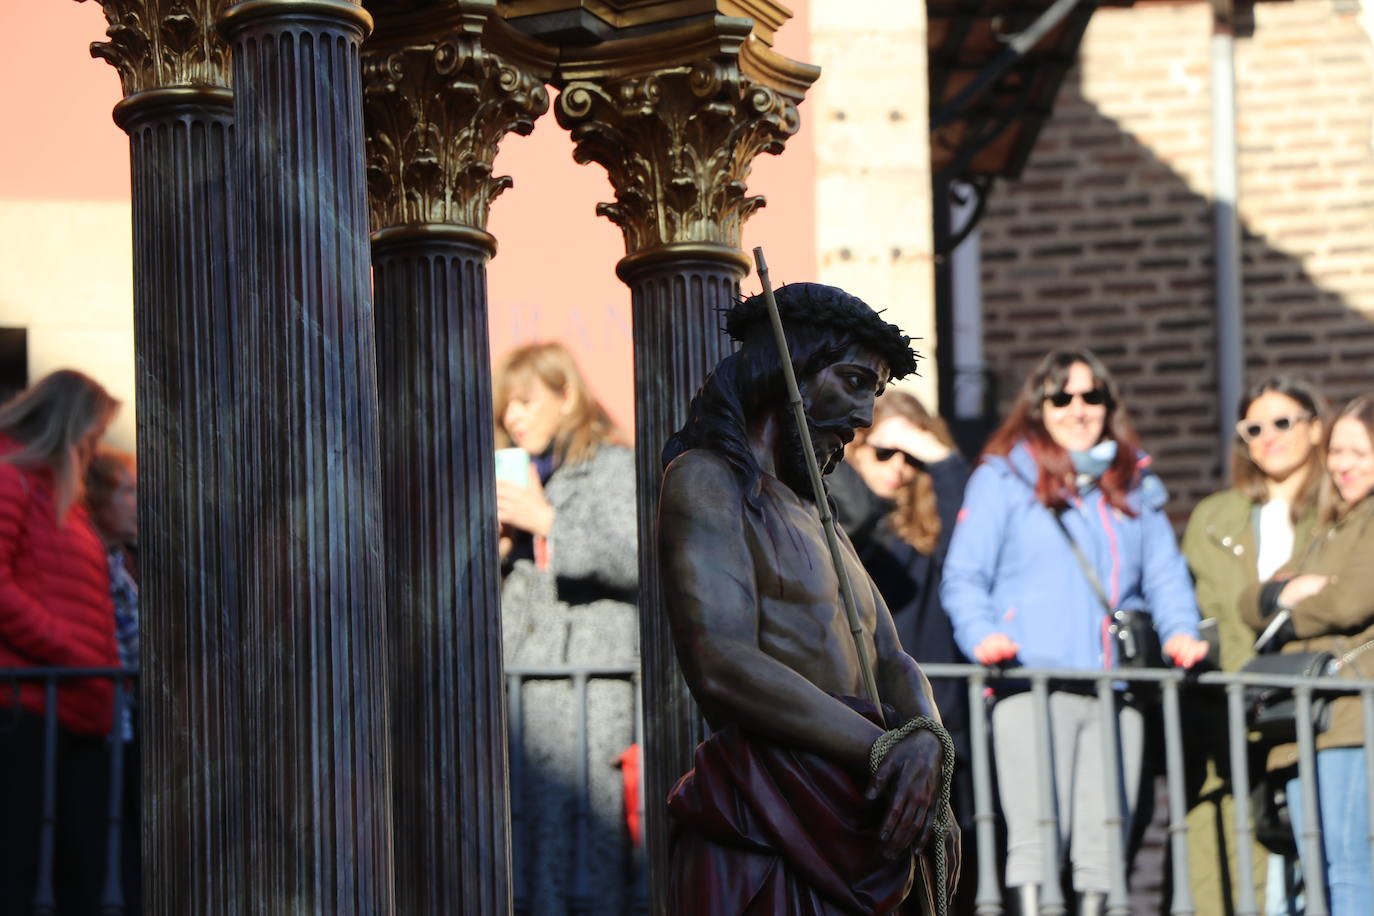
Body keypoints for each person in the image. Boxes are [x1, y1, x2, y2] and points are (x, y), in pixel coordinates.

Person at [658, 282, 958, 915]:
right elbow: (721, 661)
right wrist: (885, 748)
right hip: (764, 812)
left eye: (872, 393)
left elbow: (891, 657)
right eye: (851, 381)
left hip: (852, 810)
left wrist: (928, 743)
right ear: (786, 368)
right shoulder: (708, 480)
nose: (864, 417)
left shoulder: (822, 519)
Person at [941, 348, 1208, 916]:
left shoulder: (1133, 481)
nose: (1077, 409)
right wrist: (982, 634)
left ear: (1109, 406)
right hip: (1028, 682)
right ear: (1038, 406)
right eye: (1062, 397)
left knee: (1103, 845)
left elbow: (1165, 575)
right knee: (1037, 839)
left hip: (1114, 690)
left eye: (1092, 396)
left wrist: (1181, 630)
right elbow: (964, 577)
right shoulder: (1003, 476)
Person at [493, 342, 639, 916]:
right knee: (523, 838)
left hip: (590, 691)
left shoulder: (612, 464)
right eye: (506, 406)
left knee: (588, 836)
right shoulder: (516, 473)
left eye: (525, 401)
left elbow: (636, 556)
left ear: (567, 395)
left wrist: (547, 522)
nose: (512, 417)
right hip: (523, 686)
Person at [1181, 376, 1327, 916]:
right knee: (1230, 858)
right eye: (1254, 428)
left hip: (1318, 708)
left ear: (1315, 428)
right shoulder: (1215, 517)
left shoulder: (1341, 511)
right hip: (1233, 710)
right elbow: (1202, 611)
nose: (1270, 437)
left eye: (1284, 422)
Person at [830, 391, 977, 911]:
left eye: (911, 457)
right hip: (867, 716)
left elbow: (974, 531)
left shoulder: (930, 529)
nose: (898, 468)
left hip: (942, 719)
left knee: (947, 870)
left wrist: (937, 455)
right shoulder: (839, 524)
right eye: (883, 452)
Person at [1239, 393, 1374, 916]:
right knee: (1316, 873)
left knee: (1349, 871)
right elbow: (1250, 599)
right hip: (1303, 722)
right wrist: (1283, 595)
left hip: (1350, 720)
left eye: (1359, 453)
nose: (1343, 465)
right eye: (1337, 453)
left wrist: (1291, 608)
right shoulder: (1329, 526)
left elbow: (1350, 601)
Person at [0, 369, 122, 914]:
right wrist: (72, 652)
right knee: (26, 874)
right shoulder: (12, 478)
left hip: (74, 708)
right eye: (93, 434)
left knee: (77, 874)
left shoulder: (64, 497)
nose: (94, 450)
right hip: (28, 706)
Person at [84, 448, 141, 913]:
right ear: (98, 500)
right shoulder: (94, 564)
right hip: (99, 724)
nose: (138, 502)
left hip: (124, 722)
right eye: (128, 491)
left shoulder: (123, 565)